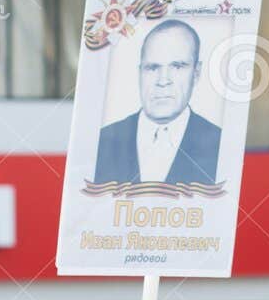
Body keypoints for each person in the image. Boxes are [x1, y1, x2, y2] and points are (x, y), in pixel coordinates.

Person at [91, 19, 221, 187]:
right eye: (152, 68)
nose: (163, 81)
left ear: (196, 73)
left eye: (177, 66)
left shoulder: (221, 143)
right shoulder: (102, 141)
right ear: (139, 73)